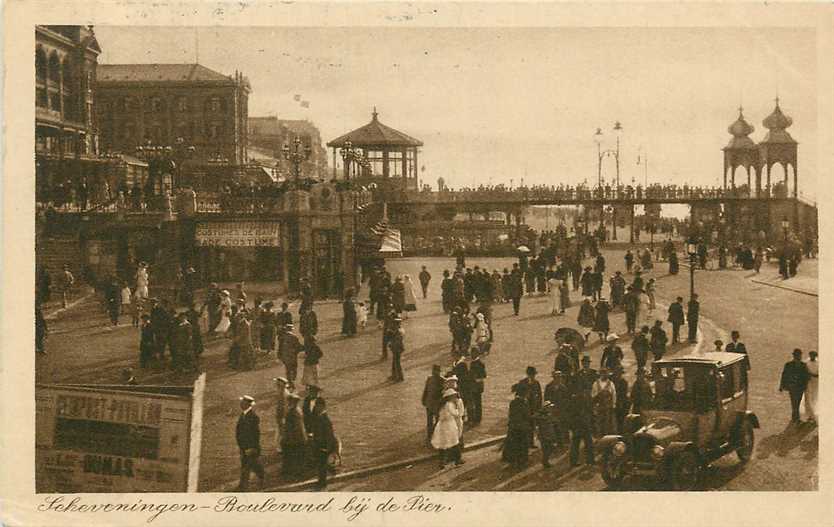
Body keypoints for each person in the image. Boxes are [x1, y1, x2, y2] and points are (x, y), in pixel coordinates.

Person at [570, 356, 597, 466]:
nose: (586, 364)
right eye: (584, 362)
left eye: (587, 362)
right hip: (579, 422)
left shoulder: (593, 374)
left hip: (584, 421)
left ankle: (589, 460)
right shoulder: (577, 376)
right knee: (578, 441)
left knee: (587, 441)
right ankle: (576, 461)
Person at [235, 395, 265, 491]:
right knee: (251, 464)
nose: (240, 404)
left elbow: (255, 434)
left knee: (247, 466)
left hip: (250, 447)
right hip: (244, 446)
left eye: (242, 402)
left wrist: (252, 448)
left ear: (248, 405)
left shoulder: (253, 417)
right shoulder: (243, 414)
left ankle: (243, 485)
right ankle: (261, 476)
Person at [432, 388, 465, 467]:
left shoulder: (442, 404)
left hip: (440, 426)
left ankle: (442, 462)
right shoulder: (449, 404)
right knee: (454, 442)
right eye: (453, 396)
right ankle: (458, 460)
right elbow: (456, 414)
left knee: (442, 443)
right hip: (449, 425)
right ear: (450, 397)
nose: (454, 398)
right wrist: (457, 409)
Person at [310, 398, 338, 490]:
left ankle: (322, 482)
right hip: (319, 444)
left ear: (322, 406)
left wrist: (327, 447)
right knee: (322, 463)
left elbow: (329, 435)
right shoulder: (320, 417)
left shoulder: (325, 419)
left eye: (317, 406)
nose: (316, 408)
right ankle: (331, 470)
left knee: (321, 464)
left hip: (323, 445)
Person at [503, 383, 532, 468]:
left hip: (514, 427)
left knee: (514, 445)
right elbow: (526, 415)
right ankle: (521, 462)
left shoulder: (513, 402)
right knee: (522, 445)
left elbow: (511, 415)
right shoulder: (524, 402)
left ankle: (514, 461)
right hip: (521, 427)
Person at [780, 349, 810, 423]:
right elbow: (784, 375)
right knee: (794, 402)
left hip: (800, 387)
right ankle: (795, 417)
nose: (798, 357)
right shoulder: (789, 365)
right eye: (796, 355)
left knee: (797, 402)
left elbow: (806, 376)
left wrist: (805, 385)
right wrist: (782, 385)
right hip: (792, 387)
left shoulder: (803, 365)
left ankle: (795, 417)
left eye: (798, 355)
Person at [281, 393, 307, 478]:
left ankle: (295, 473)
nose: (289, 402)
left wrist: (288, 437)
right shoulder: (295, 410)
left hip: (295, 438)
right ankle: (292, 471)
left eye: (290, 401)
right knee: (295, 455)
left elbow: (295, 427)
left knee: (295, 455)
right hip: (296, 437)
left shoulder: (294, 411)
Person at [544, 370, 571, 448]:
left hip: (561, 409)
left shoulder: (563, 388)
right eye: (556, 378)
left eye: (559, 378)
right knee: (553, 425)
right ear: (553, 378)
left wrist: (563, 407)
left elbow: (567, 399)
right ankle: (554, 441)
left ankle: (562, 441)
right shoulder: (549, 387)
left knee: (562, 425)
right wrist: (549, 407)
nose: (558, 379)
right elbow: (546, 398)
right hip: (552, 409)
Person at [517, 366, 543, 447]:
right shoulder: (522, 383)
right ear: (528, 374)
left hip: (533, 407)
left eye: (533, 374)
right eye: (531, 374)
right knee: (525, 425)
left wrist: (539, 407)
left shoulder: (536, 383)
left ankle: (531, 443)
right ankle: (524, 443)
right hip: (525, 407)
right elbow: (518, 395)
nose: (532, 376)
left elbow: (539, 395)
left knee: (532, 425)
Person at [422, 365, 445, 444]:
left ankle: (437, 436)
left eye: (436, 371)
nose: (434, 372)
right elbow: (426, 389)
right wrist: (423, 399)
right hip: (429, 403)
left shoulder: (442, 380)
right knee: (429, 421)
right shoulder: (429, 379)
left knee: (438, 420)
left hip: (437, 404)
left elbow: (443, 393)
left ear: (439, 371)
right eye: (433, 371)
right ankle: (430, 436)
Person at [592, 368, 617, 436]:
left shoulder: (611, 383)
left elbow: (614, 395)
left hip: (608, 407)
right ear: (600, 374)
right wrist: (595, 406)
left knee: (607, 423)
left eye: (606, 374)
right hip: (599, 406)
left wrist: (613, 405)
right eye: (603, 373)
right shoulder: (596, 383)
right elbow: (593, 395)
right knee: (599, 422)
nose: (605, 375)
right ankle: (599, 437)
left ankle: (606, 437)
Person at [469, 351, 487, 425]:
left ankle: (477, 419)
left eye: (473, 353)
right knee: (475, 402)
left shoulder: (480, 364)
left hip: (477, 386)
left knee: (477, 403)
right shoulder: (472, 363)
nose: (472, 355)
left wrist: (476, 380)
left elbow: (484, 375)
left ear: (476, 354)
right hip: (473, 386)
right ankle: (475, 418)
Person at [273, 377, 290, 453]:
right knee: (280, 431)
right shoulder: (282, 392)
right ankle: (279, 446)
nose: (276, 385)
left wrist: (281, 417)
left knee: (281, 431)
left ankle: (279, 446)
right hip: (282, 415)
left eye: (278, 384)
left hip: (283, 415)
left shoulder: (283, 393)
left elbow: (283, 407)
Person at [612, 367, 630, 434]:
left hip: (622, 403)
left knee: (622, 419)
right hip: (615, 402)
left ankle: (622, 432)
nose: (618, 374)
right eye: (617, 373)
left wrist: (621, 402)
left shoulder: (624, 382)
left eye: (619, 373)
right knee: (615, 419)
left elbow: (624, 393)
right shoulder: (613, 381)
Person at [389, 315, 405, 382]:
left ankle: (399, 377)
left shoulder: (398, 331)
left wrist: (392, 346)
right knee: (394, 362)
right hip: (397, 348)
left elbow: (396, 341)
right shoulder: (400, 330)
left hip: (397, 349)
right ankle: (394, 375)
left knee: (397, 363)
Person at [805, 351, 818, 424]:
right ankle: (810, 415)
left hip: (816, 383)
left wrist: (812, 374)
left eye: (813, 355)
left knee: (815, 398)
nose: (812, 356)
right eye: (811, 355)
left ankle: (814, 414)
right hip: (808, 383)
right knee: (808, 398)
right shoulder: (806, 362)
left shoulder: (819, 363)